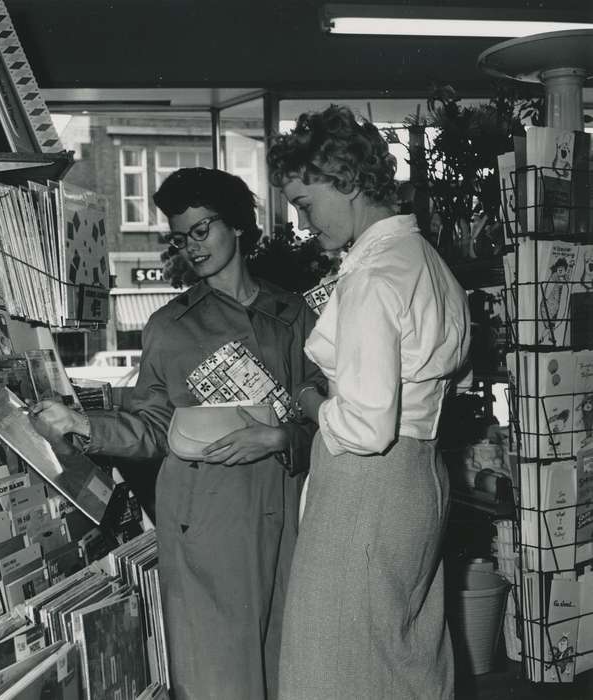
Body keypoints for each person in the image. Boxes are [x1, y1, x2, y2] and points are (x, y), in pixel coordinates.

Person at [30, 167, 324, 700]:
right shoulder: (171, 325)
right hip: (206, 515)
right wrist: (81, 425)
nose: (192, 246)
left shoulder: (294, 314)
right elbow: (151, 429)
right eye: (180, 236)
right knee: (218, 674)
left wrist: (283, 439)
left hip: (287, 510)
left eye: (202, 229)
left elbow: (326, 416)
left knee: (290, 664)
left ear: (237, 225)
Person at [267, 105, 471, 699]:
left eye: (306, 203)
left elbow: (364, 426)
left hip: (366, 487)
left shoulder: (372, 276)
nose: (304, 222)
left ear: (348, 181)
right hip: (421, 479)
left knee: (331, 667)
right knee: (404, 659)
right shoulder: (426, 260)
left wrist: (307, 397)